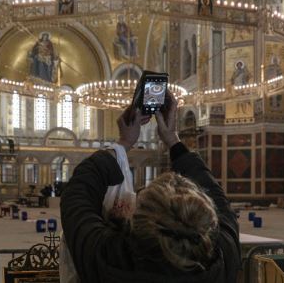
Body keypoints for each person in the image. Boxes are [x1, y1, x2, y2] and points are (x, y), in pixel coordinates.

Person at [61, 91, 240, 282]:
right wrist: (172, 139)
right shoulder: (221, 262)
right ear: (207, 218)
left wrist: (124, 142)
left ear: (135, 220)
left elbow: (78, 192)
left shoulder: (107, 259)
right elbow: (220, 202)